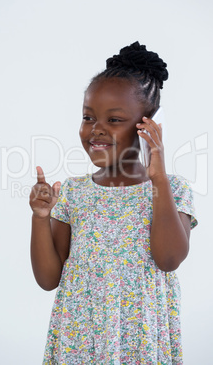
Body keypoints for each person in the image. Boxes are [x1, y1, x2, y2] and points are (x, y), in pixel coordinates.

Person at [29, 41, 198, 364]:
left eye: (114, 120)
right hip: (81, 337)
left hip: (140, 338)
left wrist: (158, 178)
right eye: (88, 117)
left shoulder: (173, 189)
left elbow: (169, 259)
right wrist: (40, 217)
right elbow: (48, 279)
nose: (96, 130)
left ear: (146, 126)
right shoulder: (74, 193)